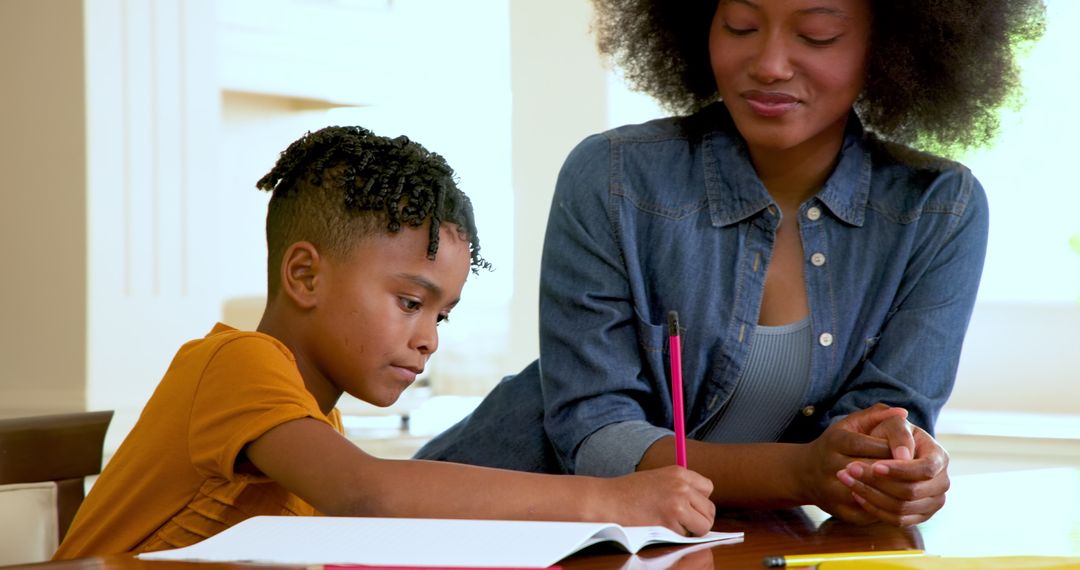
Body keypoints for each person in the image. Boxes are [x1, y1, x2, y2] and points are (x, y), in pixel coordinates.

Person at [417, 0, 1046, 528]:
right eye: (740, 26)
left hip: (736, 545)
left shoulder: (937, 209)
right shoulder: (613, 177)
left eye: (816, 34)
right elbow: (594, 433)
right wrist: (804, 473)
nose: (769, 65)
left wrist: (898, 469)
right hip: (498, 522)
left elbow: (882, 423)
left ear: (888, 45)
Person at [53, 126, 716, 559]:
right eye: (409, 303)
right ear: (305, 274)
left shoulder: (315, 418)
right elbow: (368, 492)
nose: (427, 339)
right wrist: (610, 500)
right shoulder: (235, 364)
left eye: (442, 316)